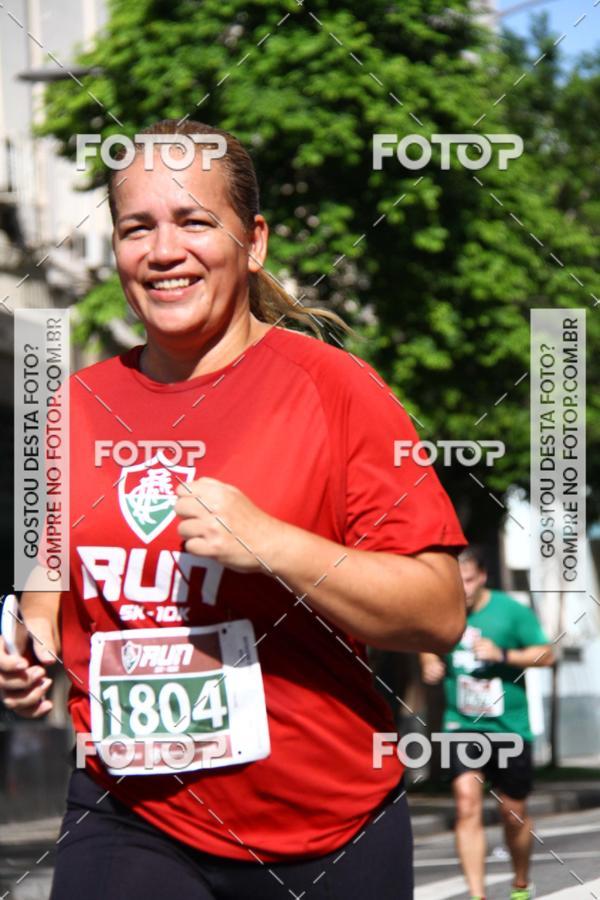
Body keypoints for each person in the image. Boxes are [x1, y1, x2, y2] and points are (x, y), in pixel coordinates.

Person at [1, 119, 467, 900]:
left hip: (324, 828)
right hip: (131, 811)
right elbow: (43, 599)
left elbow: (439, 610)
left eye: (193, 221)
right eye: (136, 227)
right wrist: (25, 649)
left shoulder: (337, 390)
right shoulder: (67, 412)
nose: (162, 250)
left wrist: (274, 545)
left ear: (252, 242)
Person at [420, 545, 554, 900]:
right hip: (460, 723)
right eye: (455, 582)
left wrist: (504, 655)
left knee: (513, 814)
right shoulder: (440, 609)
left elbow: (547, 653)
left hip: (509, 728)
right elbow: (421, 637)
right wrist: (427, 660)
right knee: (466, 803)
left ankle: (520, 883)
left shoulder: (511, 612)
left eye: (466, 581)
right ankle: (477, 896)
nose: (460, 589)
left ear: (482, 577)